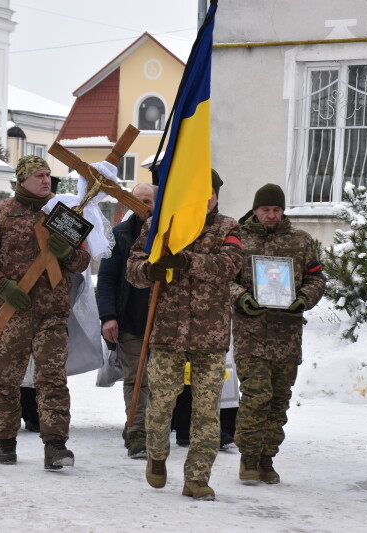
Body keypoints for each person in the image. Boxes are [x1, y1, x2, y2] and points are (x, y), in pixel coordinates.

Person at [0, 155, 91, 470]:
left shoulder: (62, 215)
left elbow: (82, 263)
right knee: (5, 378)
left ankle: (56, 445)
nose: (46, 180)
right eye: (39, 175)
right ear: (23, 180)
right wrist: (0, 283)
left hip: (52, 313)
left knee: (52, 378)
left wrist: (70, 254)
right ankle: (5, 440)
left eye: (49, 175)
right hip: (11, 311)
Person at [126, 170, 242, 501]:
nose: (205, 198)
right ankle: (157, 454)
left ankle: (197, 478)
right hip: (166, 332)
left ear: (217, 195)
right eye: (199, 191)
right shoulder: (161, 226)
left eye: (211, 192)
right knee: (161, 403)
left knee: (207, 411)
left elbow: (231, 265)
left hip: (210, 336)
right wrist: (150, 270)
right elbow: (132, 268)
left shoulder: (228, 228)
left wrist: (187, 260)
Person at [231, 183, 326, 485]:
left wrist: (304, 299)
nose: (271, 215)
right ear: (256, 210)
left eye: (276, 209)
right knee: (256, 396)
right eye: (265, 209)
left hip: (287, 335)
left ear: (282, 211)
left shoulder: (301, 241)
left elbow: (317, 278)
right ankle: (247, 457)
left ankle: (266, 458)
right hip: (251, 332)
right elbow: (224, 280)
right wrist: (241, 297)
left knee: (279, 401)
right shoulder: (238, 240)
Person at [96, 183, 157, 460]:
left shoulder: (167, 235)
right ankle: (137, 432)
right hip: (131, 321)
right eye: (139, 201)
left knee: (159, 380)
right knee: (137, 378)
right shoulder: (119, 235)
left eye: (149, 201)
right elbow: (107, 278)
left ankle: (149, 426)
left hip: (163, 322)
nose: (144, 206)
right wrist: (108, 317)